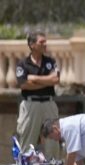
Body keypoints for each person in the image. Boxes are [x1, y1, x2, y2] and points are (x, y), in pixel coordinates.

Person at [16, 30, 60, 158]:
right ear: (32, 44)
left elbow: (56, 79)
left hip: (49, 103)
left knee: (52, 141)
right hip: (30, 105)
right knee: (27, 141)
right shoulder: (23, 64)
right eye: (42, 42)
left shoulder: (50, 61)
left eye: (45, 41)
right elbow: (23, 84)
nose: (45, 44)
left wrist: (34, 78)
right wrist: (47, 81)